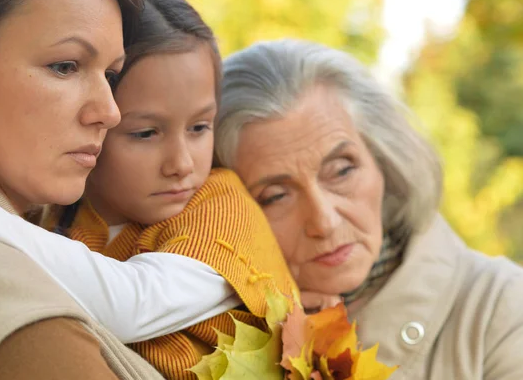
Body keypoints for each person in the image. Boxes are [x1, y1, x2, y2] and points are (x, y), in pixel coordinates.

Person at [0, 0, 295, 380]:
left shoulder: (220, 207)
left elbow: (134, 301)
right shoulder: (24, 247)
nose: (109, 112)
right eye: (65, 66)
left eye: (112, 75)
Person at [213, 39, 523, 379]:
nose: (324, 222)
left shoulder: (501, 307)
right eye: (275, 196)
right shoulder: (205, 334)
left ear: (384, 161)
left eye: (342, 170)